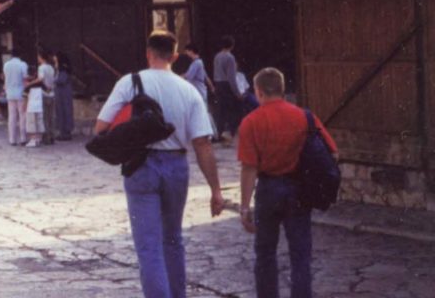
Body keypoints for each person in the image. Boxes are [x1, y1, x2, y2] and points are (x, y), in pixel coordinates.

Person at [95, 32, 223, 298]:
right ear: (175, 57)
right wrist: (216, 190)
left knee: (149, 246)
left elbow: (101, 126)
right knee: (173, 240)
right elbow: (202, 144)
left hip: (141, 165)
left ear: (148, 53)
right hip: (177, 166)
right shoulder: (189, 91)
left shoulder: (130, 83)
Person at [238, 68, 338, 298]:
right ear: (282, 90)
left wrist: (244, 207)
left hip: (268, 190)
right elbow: (333, 152)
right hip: (298, 189)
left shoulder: (250, 122)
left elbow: (249, 168)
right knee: (300, 255)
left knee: (265, 254)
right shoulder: (305, 117)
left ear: (259, 91)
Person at [213, 36, 240, 142]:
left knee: (220, 110)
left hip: (218, 83)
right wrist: (237, 92)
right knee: (231, 109)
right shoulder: (230, 57)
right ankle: (230, 132)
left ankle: (219, 132)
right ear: (232, 46)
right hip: (226, 85)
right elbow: (231, 77)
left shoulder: (217, 56)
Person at [2, 52, 30, 146]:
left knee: (12, 116)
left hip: (10, 93)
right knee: (22, 115)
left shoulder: (6, 65)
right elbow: (25, 78)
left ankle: (12, 139)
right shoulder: (23, 64)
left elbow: (5, 78)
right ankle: (23, 138)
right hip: (20, 92)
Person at [53, 52, 75, 141]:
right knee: (62, 111)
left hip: (63, 94)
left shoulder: (63, 71)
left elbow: (60, 81)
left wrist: (52, 80)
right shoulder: (61, 70)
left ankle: (65, 133)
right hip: (61, 93)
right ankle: (64, 132)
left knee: (64, 111)